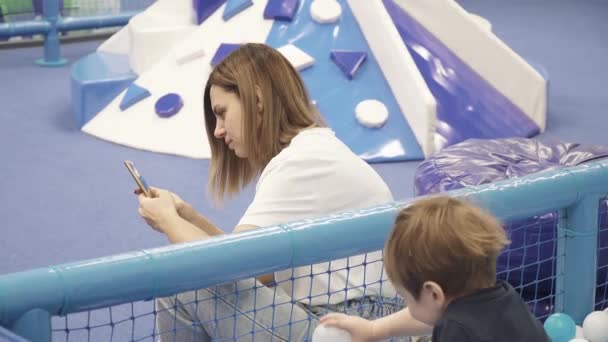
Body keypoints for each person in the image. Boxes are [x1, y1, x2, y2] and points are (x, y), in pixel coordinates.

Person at [136, 43, 399, 341]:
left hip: (351, 328)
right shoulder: (311, 150)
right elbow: (256, 271)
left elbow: (231, 267)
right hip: (350, 322)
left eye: (222, 114)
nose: (218, 131)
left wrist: (168, 222)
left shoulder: (300, 162)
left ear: (257, 100)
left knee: (178, 282)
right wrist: (189, 217)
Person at [321, 196, 550, 342]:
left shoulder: (457, 331)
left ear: (433, 293)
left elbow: (440, 319)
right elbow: (432, 316)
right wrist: (373, 330)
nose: (409, 308)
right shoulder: (504, 299)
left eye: (407, 299)